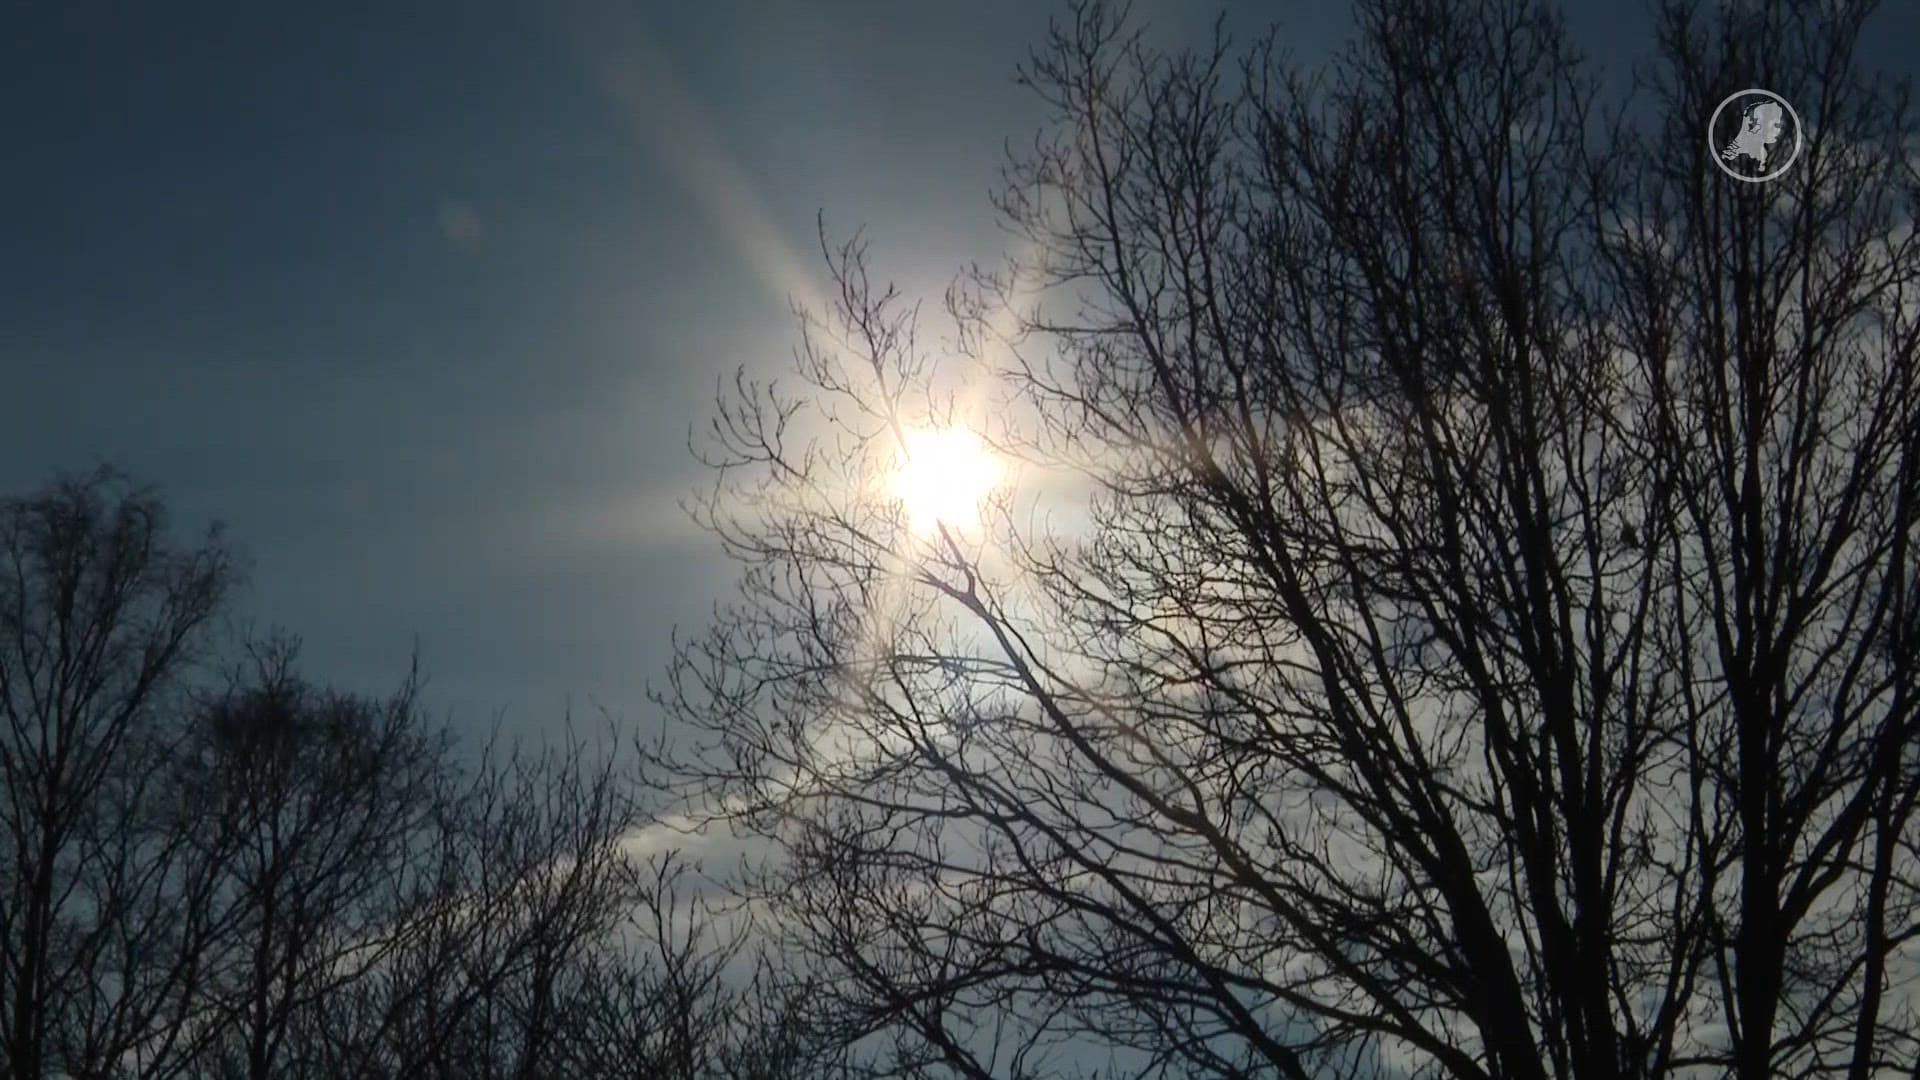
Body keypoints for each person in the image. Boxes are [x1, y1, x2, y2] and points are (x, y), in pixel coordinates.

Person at [1722, 97, 1786, 170]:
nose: (1778, 129)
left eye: (1778, 124)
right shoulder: (1737, 158)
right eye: (1775, 124)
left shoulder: (1762, 154)